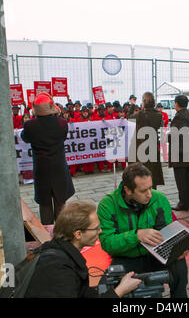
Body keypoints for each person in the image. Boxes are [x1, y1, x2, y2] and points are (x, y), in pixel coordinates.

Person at [97, 162, 188, 298]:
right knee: (103, 286)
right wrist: (137, 235)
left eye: (150, 188)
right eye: (143, 191)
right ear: (127, 190)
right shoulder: (107, 205)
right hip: (126, 258)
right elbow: (107, 243)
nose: (149, 194)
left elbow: (168, 231)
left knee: (179, 263)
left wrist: (177, 247)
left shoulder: (159, 199)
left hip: (155, 255)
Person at [25, 200, 141, 298]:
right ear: (78, 234)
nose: (100, 231)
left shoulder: (60, 251)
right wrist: (119, 291)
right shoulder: (58, 268)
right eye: (95, 228)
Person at [21, 92, 75, 225]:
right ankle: (62, 232)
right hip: (58, 168)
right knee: (60, 202)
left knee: (44, 204)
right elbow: (62, 137)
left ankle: (46, 233)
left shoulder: (30, 125)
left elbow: (25, 138)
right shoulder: (62, 123)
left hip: (42, 169)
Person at [127, 92, 164, 189]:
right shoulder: (159, 115)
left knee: (141, 172)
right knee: (153, 172)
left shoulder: (139, 115)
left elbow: (129, 118)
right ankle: (153, 193)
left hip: (141, 148)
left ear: (144, 102)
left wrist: (132, 105)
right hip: (153, 147)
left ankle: (142, 191)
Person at [168, 95, 189, 211]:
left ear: (176, 104)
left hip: (179, 153)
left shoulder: (178, 117)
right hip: (188, 150)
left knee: (181, 180)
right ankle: (188, 201)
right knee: (188, 178)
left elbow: (175, 135)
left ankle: (183, 203)